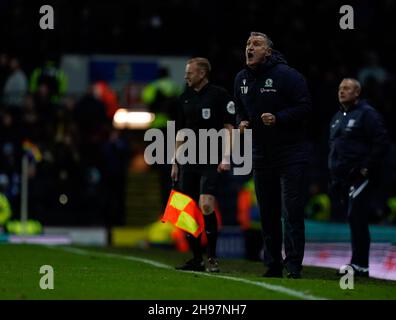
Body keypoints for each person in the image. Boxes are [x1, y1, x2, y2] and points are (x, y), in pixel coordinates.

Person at [235, 32, 312, 278]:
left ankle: (293, 265)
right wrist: (242, 121)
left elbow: (305, 107)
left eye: (256, 44)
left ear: (268, 51)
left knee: (291, 211)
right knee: (267, 213)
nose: (250, 47)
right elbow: (238, 109)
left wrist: (279, 118)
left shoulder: (287, 75)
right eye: (248, 44)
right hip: (261, 154)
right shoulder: (241, 79)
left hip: (291, 153)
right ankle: (272, 264)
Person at [171, 57, 235, 272]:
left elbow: (228, 127)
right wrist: (175, 161)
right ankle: (196, 259)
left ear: (202, 74)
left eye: (189, 72)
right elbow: (180, 132)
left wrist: (226, 157)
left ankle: (212, 258)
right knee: (188, 209)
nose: (186, 76)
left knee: (206, 205)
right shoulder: (184, 98)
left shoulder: (220, 95)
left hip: (211, 158)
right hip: (189, 159)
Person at [329, 78, 390, 277]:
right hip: (344, 177)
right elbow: (334, 148)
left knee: (357, 217)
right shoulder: (338, 116)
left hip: (361, 176)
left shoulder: (367, 114)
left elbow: (381, 141)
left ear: (357, 93)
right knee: (354, 217)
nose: (342, 91)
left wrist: (366, 167)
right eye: (340, 88)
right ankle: (358, 263)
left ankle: (360, 264)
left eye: (346, 88)